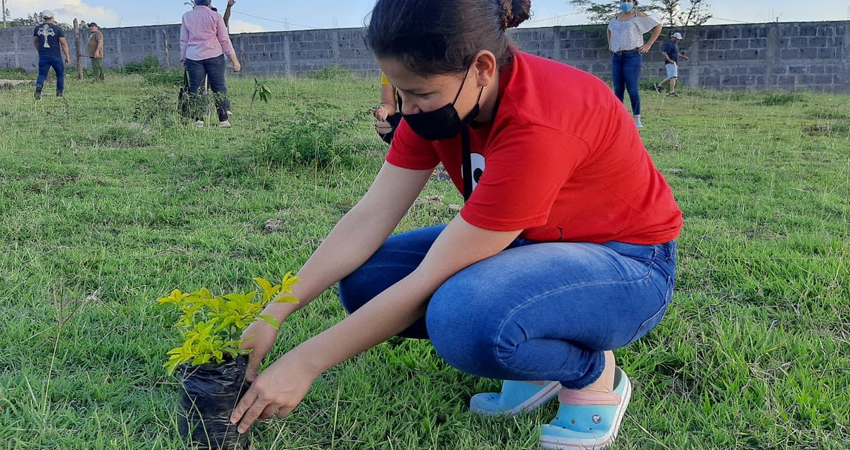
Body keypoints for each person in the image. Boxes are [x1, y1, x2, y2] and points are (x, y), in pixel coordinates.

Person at [229, 1, 682, 449]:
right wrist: (274, 313)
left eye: (421, 94)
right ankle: (535, 366)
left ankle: (591, 372)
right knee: (367, 280)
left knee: (464, 318)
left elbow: (431, 278)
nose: (408, 109)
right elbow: (369, 217)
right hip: (530, 246)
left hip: (629, 264)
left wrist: (305, 363)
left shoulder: (541, 117)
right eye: (399, 92)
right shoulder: (442, 105)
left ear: (482, 68)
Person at [180, 0, 241, 128]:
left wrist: (183, 57)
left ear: (195, 2)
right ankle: (223, 120)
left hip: (193, 56)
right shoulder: (215, 16)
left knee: (196, 88)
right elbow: (224, 40)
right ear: (209, 2)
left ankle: (199, 120)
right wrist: (234, 60)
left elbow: (184, 40)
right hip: (214, 56)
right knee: (219, 87)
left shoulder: (187, 16)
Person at [607, 0, 662, 128]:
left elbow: (658, 26)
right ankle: (617, 117)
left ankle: (637, 119)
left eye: (628, 1)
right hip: (617, 56)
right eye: (623, 1)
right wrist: (610, 43)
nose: (625, 3)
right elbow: (609, 30)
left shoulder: (639, 16)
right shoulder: (615, 18)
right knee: (618, 89)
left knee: (632, 88)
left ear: (634, 2)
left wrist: (648, 44)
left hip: (632, 56)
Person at [33, 10, 70, 99]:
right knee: (60, 75)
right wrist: (67, 56)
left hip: (43, 56)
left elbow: (36, 42)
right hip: (56, 56)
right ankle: (59, 94)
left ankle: (39, 86)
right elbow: (63, 44)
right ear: (52, 17)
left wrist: (40, 51)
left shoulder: (37, 29)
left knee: (42, 75)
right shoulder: (57, 29)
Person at [655, 32, 689, 97]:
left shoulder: (675, 45)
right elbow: (664, 53)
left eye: (678, 39)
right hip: (670, 63)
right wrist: (669, 60)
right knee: (673, 77)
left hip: (674, 63)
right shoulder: (669, 44)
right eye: (677, 39)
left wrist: (684, 57)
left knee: (672, 78)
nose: (678, 40)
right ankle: (671, 92)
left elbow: (676, 53)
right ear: (673, 37)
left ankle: (659, 85)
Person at [374, 72, 403, 144]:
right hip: (407, 118)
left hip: (429, 116)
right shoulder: (389, 69)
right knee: (382, 125)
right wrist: (385, 110)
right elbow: (388, 103)